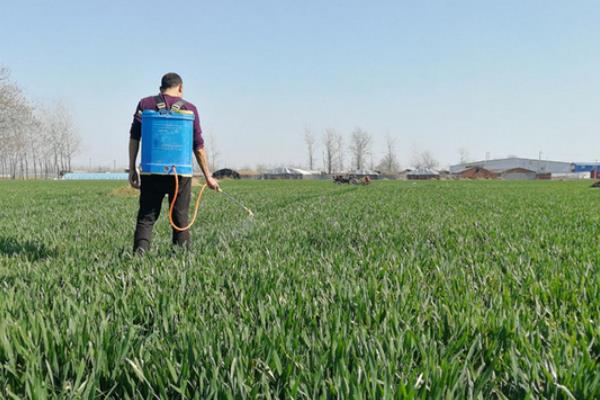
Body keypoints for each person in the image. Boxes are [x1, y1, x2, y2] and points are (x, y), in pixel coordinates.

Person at [128, 72, 219, 254]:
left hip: (151, 172)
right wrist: (208, 176)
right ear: (180, 88)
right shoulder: (190, 108)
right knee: (180, 218)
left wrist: (132, 168)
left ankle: (139, 255)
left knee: (146, 217)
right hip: (180, 174)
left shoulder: (145, 104)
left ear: (161, 88)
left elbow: (135, 137)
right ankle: (181, 259)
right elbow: (198, 146)